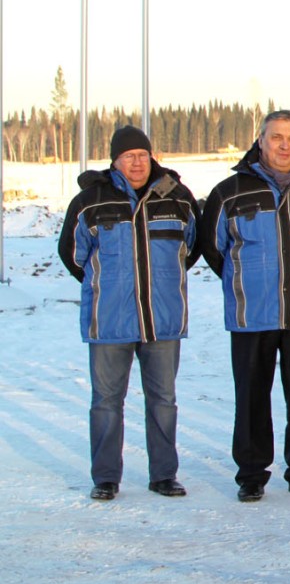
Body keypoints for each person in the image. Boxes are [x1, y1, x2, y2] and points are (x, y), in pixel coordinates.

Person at [58, 126, 200, 501]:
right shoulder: (90, 200)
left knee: (163, 401)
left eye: (142, 155)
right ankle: (106, 478)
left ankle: (164, 475)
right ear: (115, 161)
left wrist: (163, 280)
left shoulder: (177, 197)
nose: (137, 163)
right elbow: (72, 254)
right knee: (106, 403)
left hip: (162, 319)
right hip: (110, 320)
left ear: (151, 157)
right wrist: (103, 284)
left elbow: (192, 245)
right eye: (128, 157)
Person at [201, 109, 290, 502]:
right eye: (276, 137)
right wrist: (245, 279)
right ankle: (251, 475)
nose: (284, 146)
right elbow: (213, 247)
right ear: (261, 141)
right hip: (252, 313)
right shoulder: (229, 192)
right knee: (251, 398)